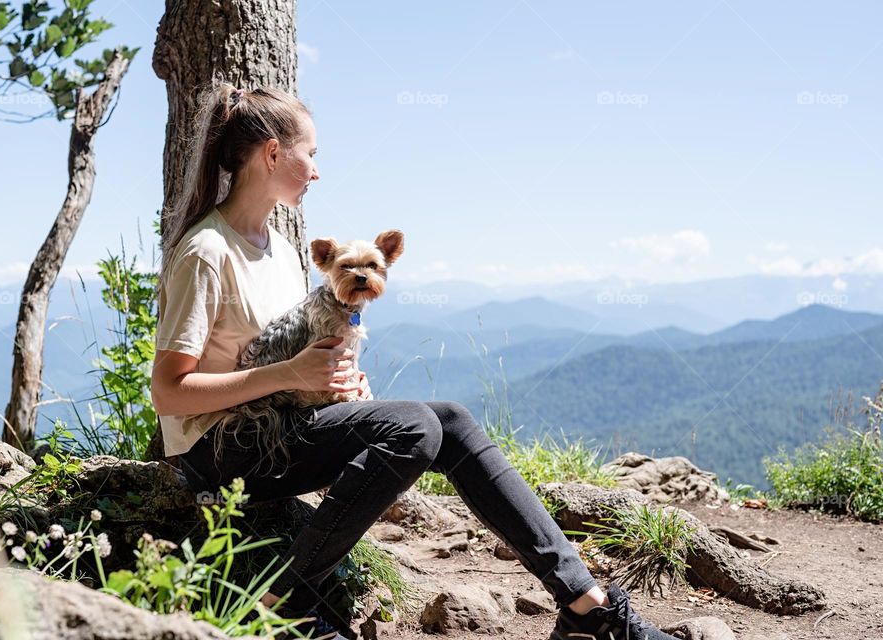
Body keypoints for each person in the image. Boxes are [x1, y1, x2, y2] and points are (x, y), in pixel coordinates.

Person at [151, 80, 678, 640]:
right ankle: (285, 604)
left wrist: (336, 381)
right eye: (312, 155)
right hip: (222, 451)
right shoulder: (207, 252)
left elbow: (293, 351)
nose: (317, 171)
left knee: (447, 418)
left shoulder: (279, 249)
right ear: (274, 153)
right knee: (415, 428)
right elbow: (169, 392)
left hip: (283, 423)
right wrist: (291, 374)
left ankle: (586, 604)